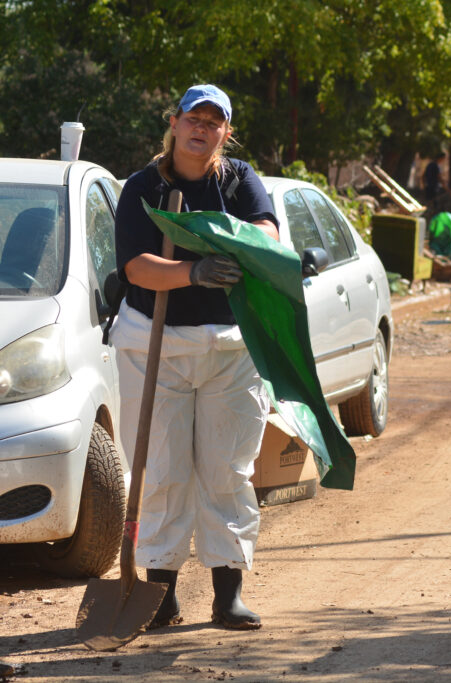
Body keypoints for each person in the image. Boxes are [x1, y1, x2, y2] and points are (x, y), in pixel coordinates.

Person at [111, 84, 280, 631]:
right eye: (193, 118)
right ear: (174, 122)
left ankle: (226, 593)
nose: (202, 128)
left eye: (214, 121)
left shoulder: (238, 180)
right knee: (160, 469)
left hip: (230, 349)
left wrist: (235, 242)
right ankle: (160, 595)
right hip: (154, 347)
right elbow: (137, 267)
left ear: (226, 132)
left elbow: (266, 231)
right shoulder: (143, 187)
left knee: (226, 470)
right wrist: (193, 272)